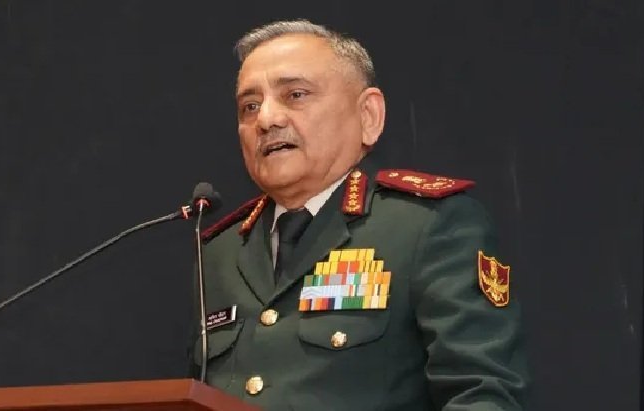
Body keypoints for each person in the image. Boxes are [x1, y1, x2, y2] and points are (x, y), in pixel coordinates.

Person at [192, 19, 528, 410]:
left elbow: (484, 394)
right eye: (249, 106)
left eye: (295, 95)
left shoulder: (427, 225)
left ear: (368, 116)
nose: (266, 119)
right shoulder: (220, 251)